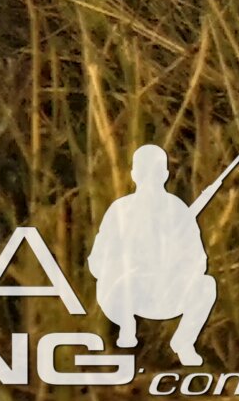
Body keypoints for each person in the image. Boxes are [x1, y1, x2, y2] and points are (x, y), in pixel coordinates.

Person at [91, 144, 221, 365]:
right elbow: (97, 262)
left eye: (155, 171)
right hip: (126, 293)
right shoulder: (120, 211)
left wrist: (174, 264)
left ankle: (183, 342)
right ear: (134, 175)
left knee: (206, 286)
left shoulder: (178, 211)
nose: (150, 178)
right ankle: (126, 328)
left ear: (165, 175)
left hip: (166, 293)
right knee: (120, 282)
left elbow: (199, 260)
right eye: (145, 171)